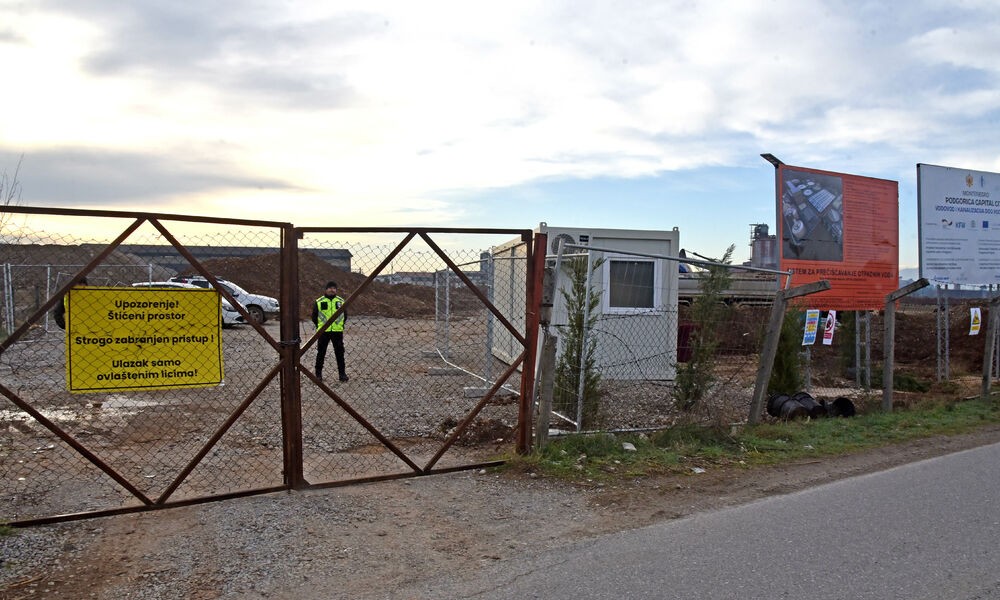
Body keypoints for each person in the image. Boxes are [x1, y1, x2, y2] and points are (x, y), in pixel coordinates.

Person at [311, 280, 348, 382]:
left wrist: (339, 325)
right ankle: (318, 374)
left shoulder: (341, 301)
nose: (332, 290)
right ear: (326, 289)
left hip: (337, 331)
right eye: (330, 288)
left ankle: (342, 374)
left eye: (334, 288)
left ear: (336, 290)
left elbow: (345, 316)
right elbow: (314, 317)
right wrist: (320, 326)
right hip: (323, 332)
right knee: (321, 353)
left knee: (340, 353)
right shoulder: (319, 301)